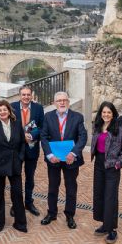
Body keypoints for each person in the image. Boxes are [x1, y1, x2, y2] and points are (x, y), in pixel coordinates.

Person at [40, 92, 88, 229]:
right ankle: (52, 213)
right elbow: (43, 137)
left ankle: (70, 215)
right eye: (59, 101)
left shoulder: (77, 117)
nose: (62, 103)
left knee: (71, 188)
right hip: (54, 159)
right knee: (52, 187)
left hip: (70, 160)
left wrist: (73, 153)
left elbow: (82, 137)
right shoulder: (48, 116)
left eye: (64, 100)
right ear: (54, 103)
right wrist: (49, 155)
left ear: (68, 102)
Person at [90, 102, 122, 244]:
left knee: (110, 197)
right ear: (100, 113)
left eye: (108, 112)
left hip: (112, 166)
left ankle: (112, 229)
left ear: (113, 114)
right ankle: (104, 224)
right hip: (99, 164)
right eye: (103, 112)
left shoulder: (119, 129)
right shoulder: (97, 127)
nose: (106, 115)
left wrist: (119, 163)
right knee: (99, 194)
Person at [0, 100, 27, 233]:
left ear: (9, 111)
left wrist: (20, 158)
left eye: (5, 109)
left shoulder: (17, 124)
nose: (2, 112)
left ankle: (20, 223)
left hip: (14, 164)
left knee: (18, 194)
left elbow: (22, 144)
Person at [11, 85, 45, 216]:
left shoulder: (38, 108)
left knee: (30, 178)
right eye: (23, 94)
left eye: (28, 94)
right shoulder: (12, 107)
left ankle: (29, 202)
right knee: (16, 178)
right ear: (19, 95)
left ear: (32, 95)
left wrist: (33, 135)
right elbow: (8, 126)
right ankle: (16, 204)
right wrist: (21, 136)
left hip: (32, 148)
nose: (26, 97)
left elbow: (43, 127)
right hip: (16, 149)